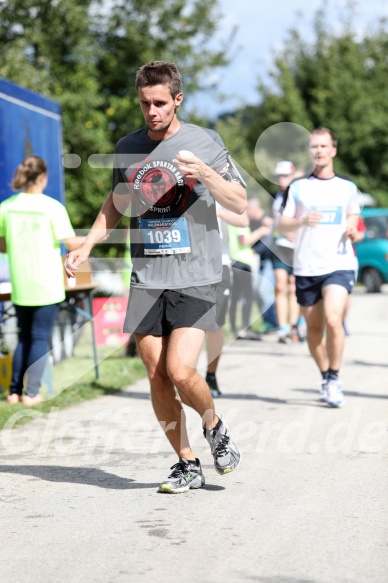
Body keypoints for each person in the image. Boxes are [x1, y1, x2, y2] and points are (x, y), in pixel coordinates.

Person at [65, 61, 246, 493]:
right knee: (156, 375)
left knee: (181, 371)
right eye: (145, 103)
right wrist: (86, 246)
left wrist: (203, 172)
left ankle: (214, 426)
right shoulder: (128, 145)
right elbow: (115, 203)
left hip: (196, 273)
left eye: (160, 103)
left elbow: (239, 201)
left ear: (177, 100)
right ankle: (187, 463)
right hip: (147, 275)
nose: (152, 111)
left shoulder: (204, 140)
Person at [279, 128, 360, 407]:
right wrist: (301, 221)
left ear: (333, 150)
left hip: (339, 263)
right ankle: (325, 375)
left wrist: (352, 228)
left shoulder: (348, 187)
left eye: (324, 146)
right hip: (306, 266)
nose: (319, 151)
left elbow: (355, 219)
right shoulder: (298, 187)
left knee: (334, 320)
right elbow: (282, 224)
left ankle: (335, 378)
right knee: (314, 331)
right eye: (314, 146)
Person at [0, 156, 83, 406]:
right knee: (39, 338)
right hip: (47, 283)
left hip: (21, 281)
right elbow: (72, 245)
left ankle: (14, 392)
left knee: (25, 337)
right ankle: (32, 393)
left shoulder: (6, 206)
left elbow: (2, 245)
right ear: (43, 176)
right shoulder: (52, 207)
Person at [205, 204, 249, 398]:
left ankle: (210, 375)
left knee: (214, 324)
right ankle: (183, 376)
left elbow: (243, 219)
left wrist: (218, 212)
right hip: (187, 265)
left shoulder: (220, 182)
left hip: (219, 265)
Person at [272, 161, 305, 343]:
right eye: (279, 176)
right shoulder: (277, 197)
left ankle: (296, 324)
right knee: (280, 286)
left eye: (285, 176)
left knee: (295, 287)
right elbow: (276, 224)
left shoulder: (299, 193)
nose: (281, 179)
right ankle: (282, 328)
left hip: (298, 248)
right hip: (281, 246)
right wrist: (283, 231)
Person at [246, 197, 278, 333]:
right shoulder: (253, 222)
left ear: (255, 208)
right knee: (257, 291)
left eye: (248, 209)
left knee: (264, 290)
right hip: (258, 261)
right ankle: (267, 322)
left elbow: (269, 243)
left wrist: (254, 250)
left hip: (270, 260)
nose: (246, 212)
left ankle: (273, 322)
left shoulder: (267, 220)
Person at [227, 224, 262, 340]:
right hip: (242, 262)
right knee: (248, 296)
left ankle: (234, 329)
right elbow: (244, 240)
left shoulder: (231, 221)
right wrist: (261, 231)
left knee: (235, 297)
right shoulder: (239, 221)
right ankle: (245, 328)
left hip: (234, 260)